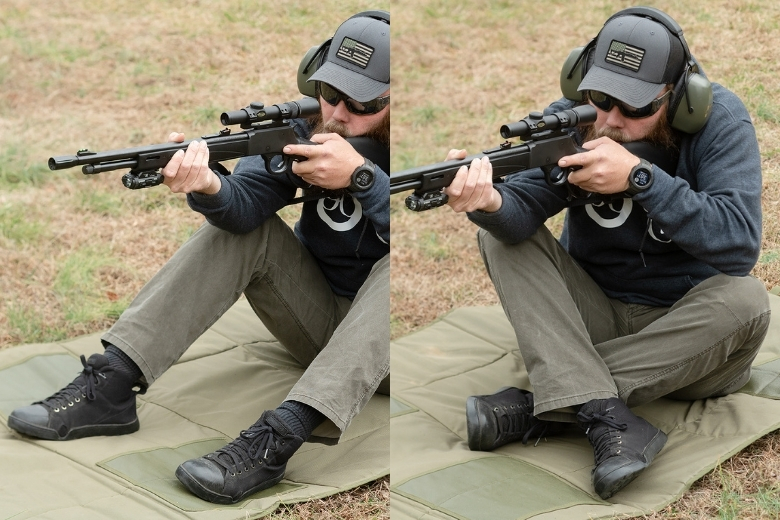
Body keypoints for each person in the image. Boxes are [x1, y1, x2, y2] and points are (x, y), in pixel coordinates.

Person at [7, 10, 390, 505]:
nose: (337, 114)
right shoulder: (306, 125)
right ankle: (113, 384)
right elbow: (243, 210)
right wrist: (210, 185)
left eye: (361, 103)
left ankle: (281, 436)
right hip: (320, 324)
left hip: (387, 351)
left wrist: (363, 178)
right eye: (329, 91)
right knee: (247, 233)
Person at [444, 7, 769, 500]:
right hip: (591, 317)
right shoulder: (574, 117)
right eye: (600, 98)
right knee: (498, 235)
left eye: (636, 108)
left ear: (679, 96)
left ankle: (546, 403)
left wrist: (642, 179)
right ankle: (597, 407)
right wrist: (489, 202)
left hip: (689, 339)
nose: (612, 120)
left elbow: (739, 244)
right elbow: (522, 209)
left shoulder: (719, 121)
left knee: (747, 300)